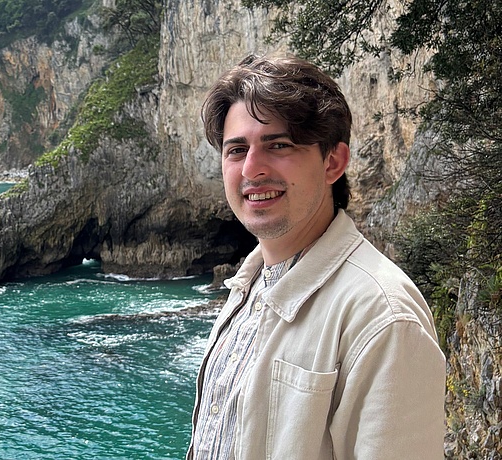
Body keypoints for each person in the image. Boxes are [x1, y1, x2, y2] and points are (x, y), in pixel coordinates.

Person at [186, 54, 446, 459]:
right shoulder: (247, 288)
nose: (252, 170)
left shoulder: (383, 316)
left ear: (333, 162)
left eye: (279, 145)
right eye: (236, 150)